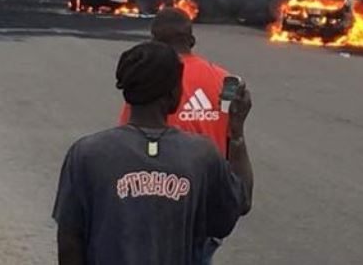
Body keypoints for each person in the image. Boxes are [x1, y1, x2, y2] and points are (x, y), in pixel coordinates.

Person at [54, 41, 253, 265]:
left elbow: (69, 239)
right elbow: (237, 205)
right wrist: (236, 134)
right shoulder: (201, 154)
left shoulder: (87, 154)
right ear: (174, 92)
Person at [118, 8, 238, 263]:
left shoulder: (151, 80)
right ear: (191, 39)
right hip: (206, 201)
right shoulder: (227, 82)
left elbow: (128, 139)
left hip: (160, 198)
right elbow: (232, 134)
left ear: (153, 41)